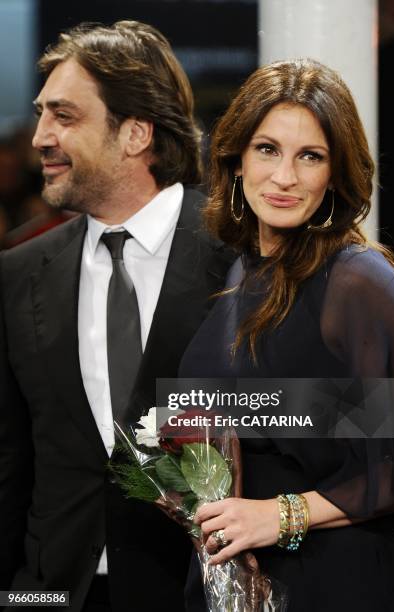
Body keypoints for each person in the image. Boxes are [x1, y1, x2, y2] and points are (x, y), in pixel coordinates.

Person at [0, 21, 233, 612]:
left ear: (134, 133)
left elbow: (323, 422)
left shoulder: (243, 258)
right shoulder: (19, 272)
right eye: (41, 113)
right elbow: (12, 461)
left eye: (64, 116)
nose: (39, 137)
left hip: (197, 591)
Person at [179, 58, 394, 612]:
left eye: (311, 156)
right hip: (239, 580)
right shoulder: (238, 272)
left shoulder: (357, 281)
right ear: (235, 161)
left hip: (334, 581)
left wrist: (277, 515)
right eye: (267, 149)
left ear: (336, 173)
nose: (284, 177)